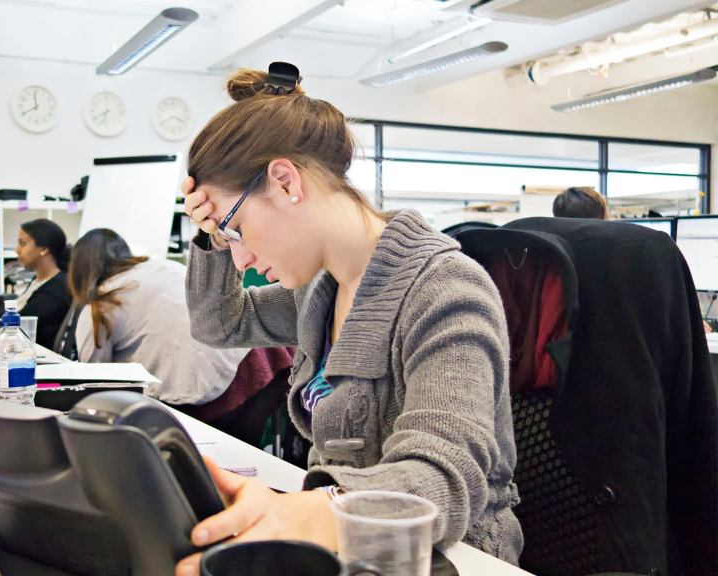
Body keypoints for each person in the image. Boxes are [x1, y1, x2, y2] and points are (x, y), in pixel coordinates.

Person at [176, 63, 522, 575]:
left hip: (448, 555)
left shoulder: (443, 288)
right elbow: (219, 324)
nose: (241, 261)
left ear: (286, 181)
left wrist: (315, 512)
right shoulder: (320, 287)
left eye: (238, 228)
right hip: (345, 544)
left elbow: (443, 477)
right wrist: (210, 239)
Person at [69, 229, 295, 422]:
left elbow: (92, 378)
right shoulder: (158, 265)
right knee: (251, 456)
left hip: (219, 375)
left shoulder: (101, 306)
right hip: (257, 350)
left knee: (222, 459)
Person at [12, 218, 71, 349]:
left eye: (22, 243)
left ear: (43, 249)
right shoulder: (38, 281)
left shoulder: (56, 289)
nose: (17, 249)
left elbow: (19, 322)